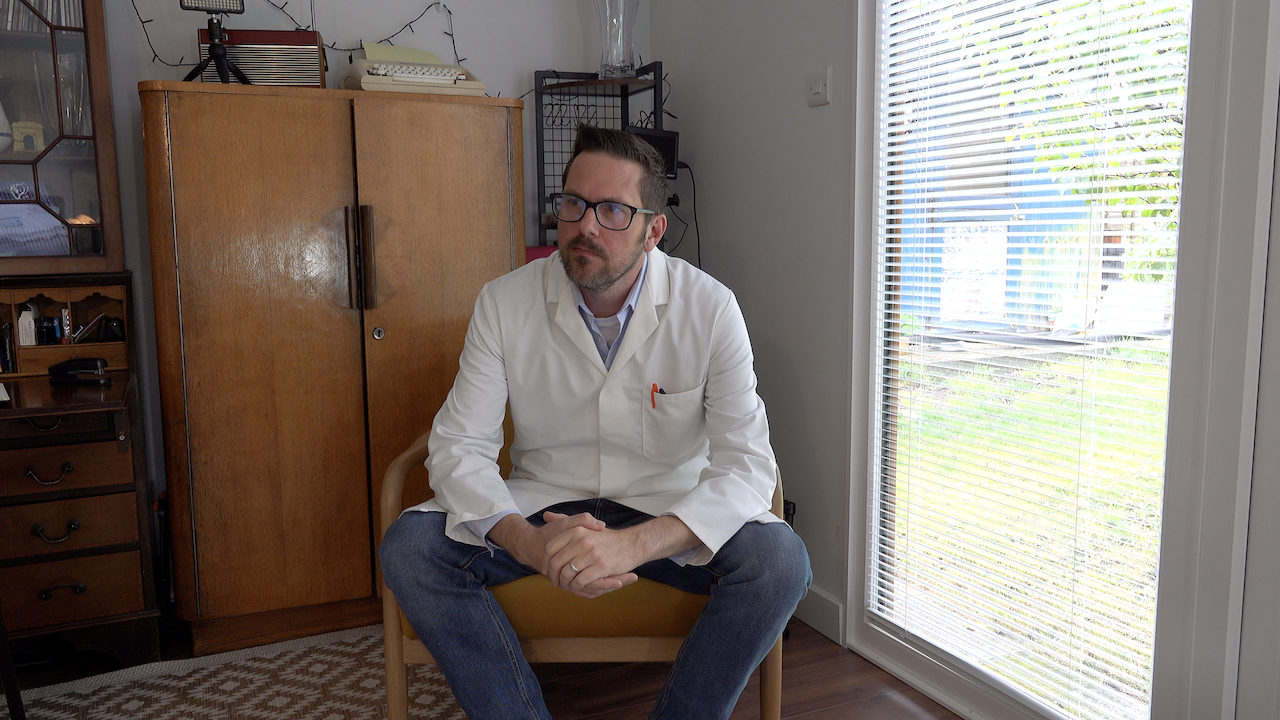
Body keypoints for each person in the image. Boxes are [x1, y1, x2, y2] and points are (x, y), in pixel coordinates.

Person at [379, 124, 811, 720]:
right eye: (574, 204)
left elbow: (747, 467)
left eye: (612, 210)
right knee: (409, 547)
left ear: (653, 230)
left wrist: (631, 545)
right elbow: (458, 448)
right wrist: (532, 546)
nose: (585, 225)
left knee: (780, 562)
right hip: (546, 507)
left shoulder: (710, 307)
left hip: (667, 514)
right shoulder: (504, 302)